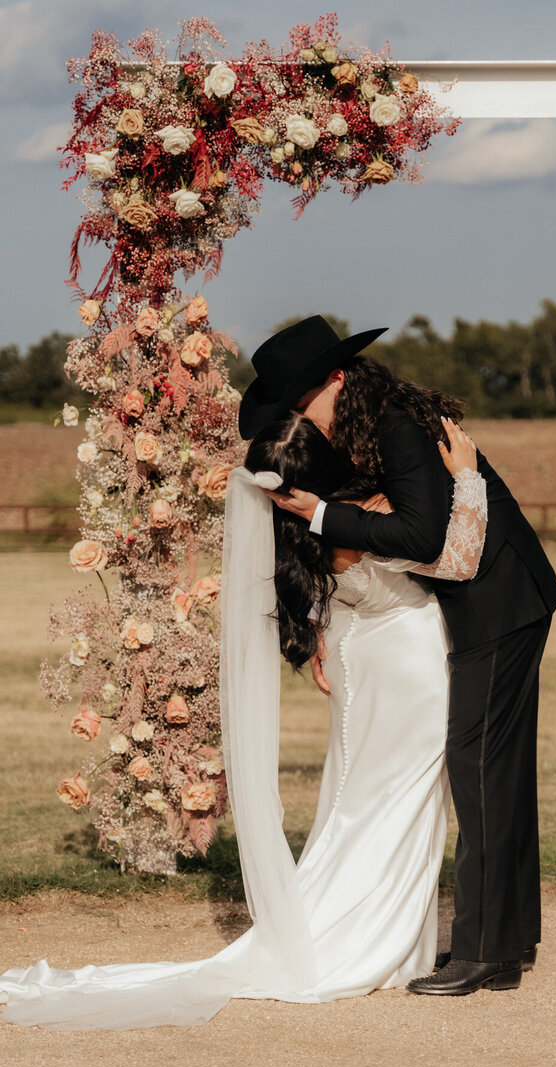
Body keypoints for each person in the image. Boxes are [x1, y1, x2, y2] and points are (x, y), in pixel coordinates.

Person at [0, 404, 487, 1027]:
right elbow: (456, 559)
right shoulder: (372, 516)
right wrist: (467, 478)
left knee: (357, 802)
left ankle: (373, 937)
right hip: (409, 665)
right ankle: (384, 946)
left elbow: (326, 596)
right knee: (402, 803)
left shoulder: (298, 531)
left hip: (355, 662)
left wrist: (318, 630)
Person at [246, 316, 556, 996]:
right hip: (498, 599)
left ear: (336, 379)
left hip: (500, 603)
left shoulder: (391, 423)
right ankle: (507, 944)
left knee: (476, 767)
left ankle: (482, 952)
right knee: (495, 774)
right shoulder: (372, 423)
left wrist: (319, 515)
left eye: (305, 405)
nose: (307, 421)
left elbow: (421, 535)